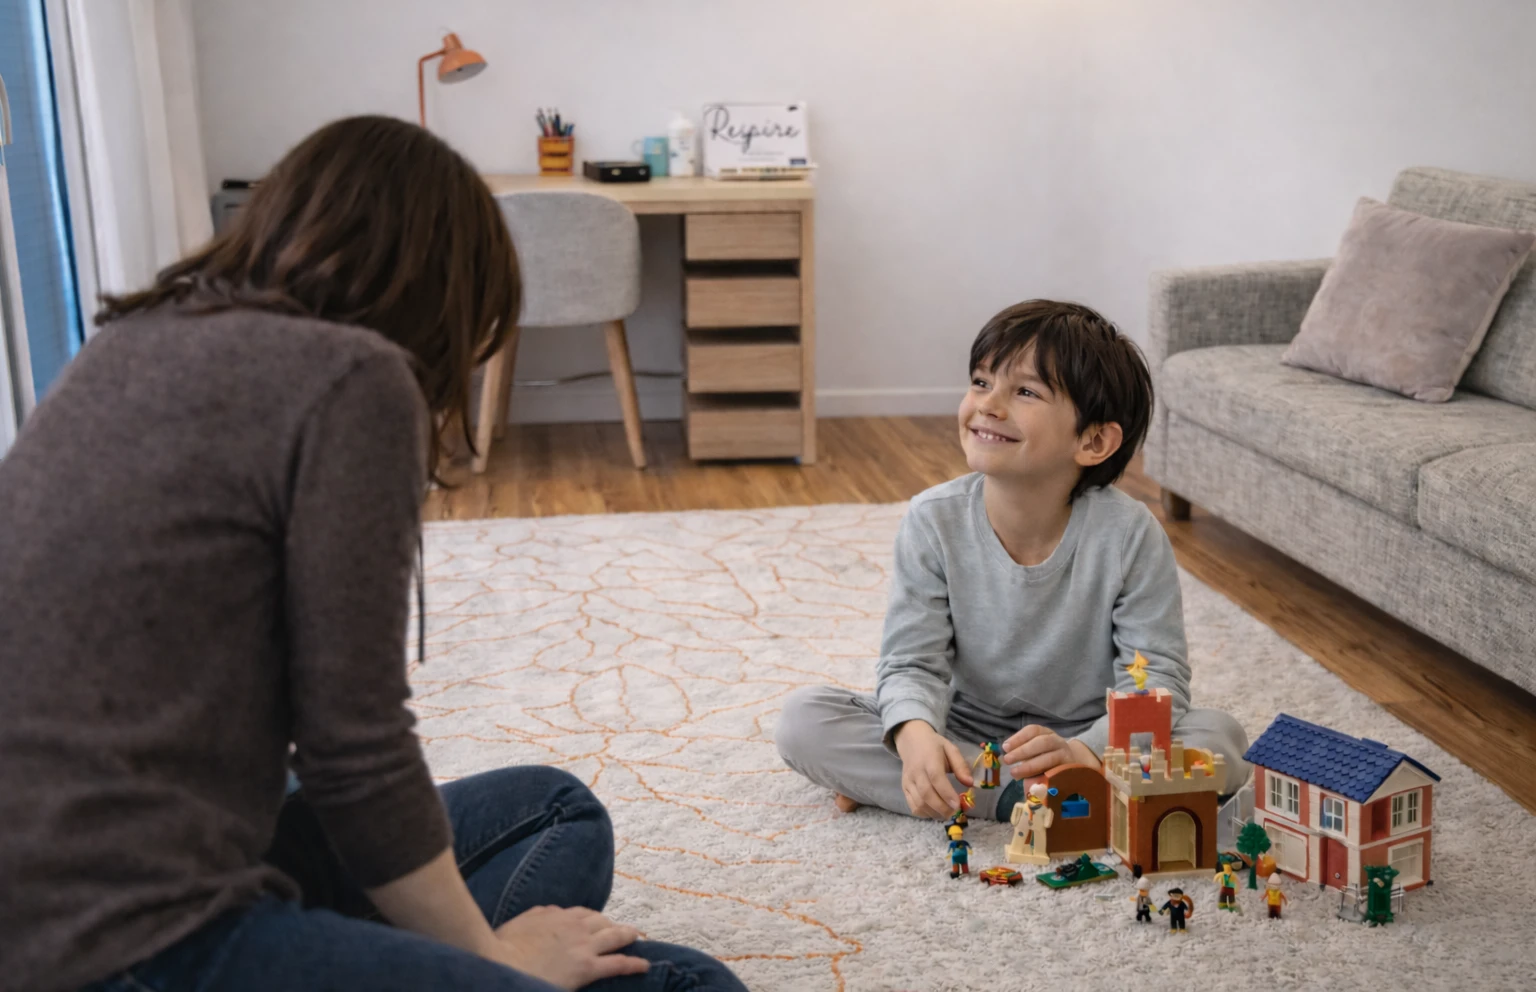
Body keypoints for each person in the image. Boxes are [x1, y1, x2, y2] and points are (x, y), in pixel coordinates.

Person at [0, 115, 744, 992]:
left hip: (113, 858)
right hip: (115, 938)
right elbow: (355, 757)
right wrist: (499, 959)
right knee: (682, 983)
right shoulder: (352, 377)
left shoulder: (127, 343)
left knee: (553, 810)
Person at [774, 300, 1250, 825]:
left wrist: (1086, 753)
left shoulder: (1131, 535)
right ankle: (1035, 797)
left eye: (1024, 392)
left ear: (1093, 441)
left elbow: (1155, 677)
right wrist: (914, 737)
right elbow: (911, 663)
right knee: (805, 720)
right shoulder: (932, 520)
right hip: (964, 734)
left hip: (1090, 739)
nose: (989, 404)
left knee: (1222, 741)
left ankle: (949, 791)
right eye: (981, 382)